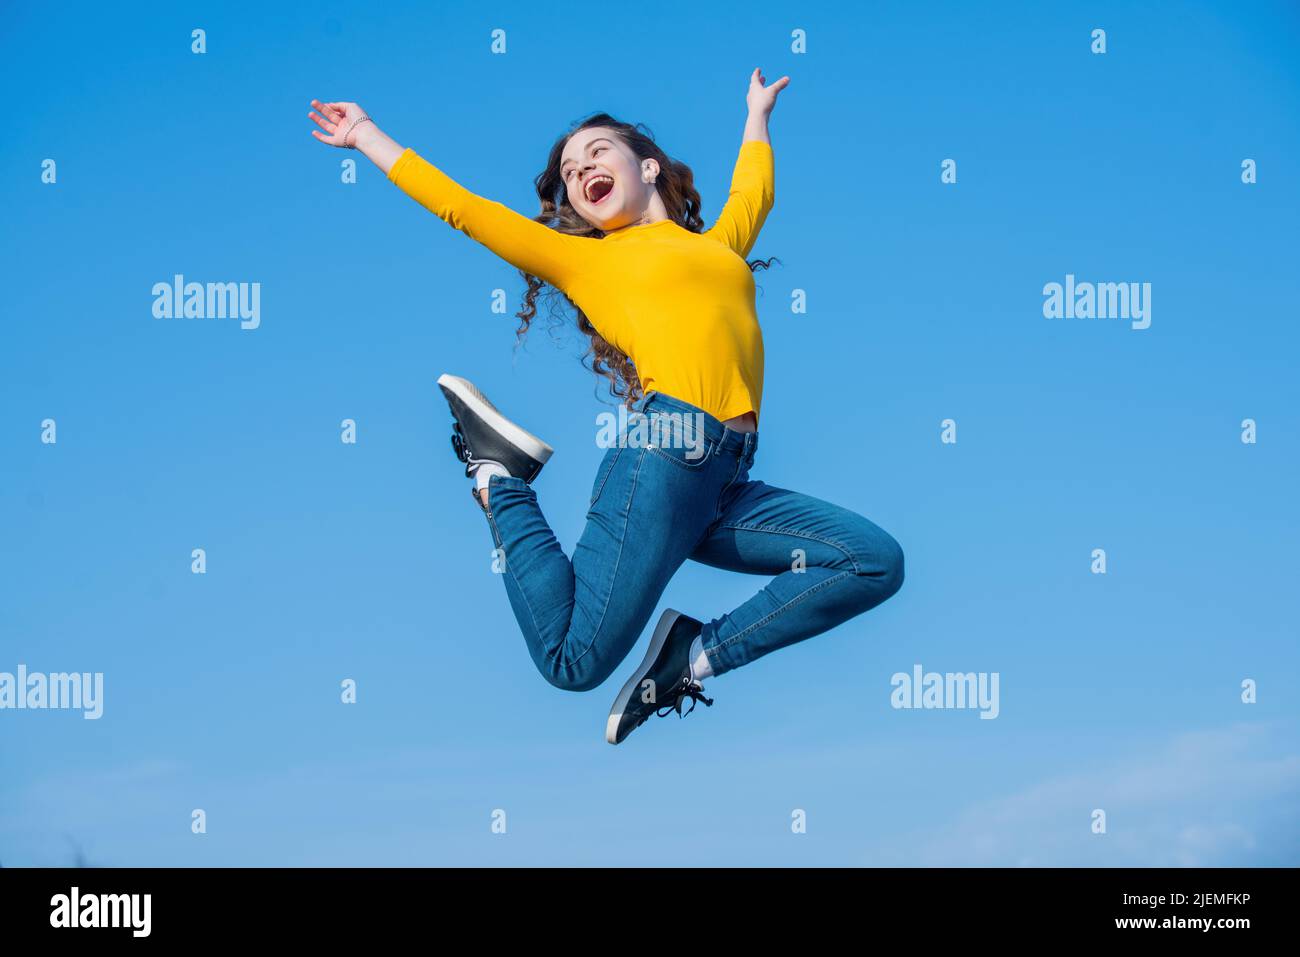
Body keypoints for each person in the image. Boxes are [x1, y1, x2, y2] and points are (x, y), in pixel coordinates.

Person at [307, 70, 904, 745]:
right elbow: (467, 211)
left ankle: (693, 657)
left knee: (871, 560)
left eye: (595, 153)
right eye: (568, 170)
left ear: (647, 166)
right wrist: (367, 136)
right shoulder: (588, 262)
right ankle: (499, 478)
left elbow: (752, 195)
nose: (579, 169)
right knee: (571, 661)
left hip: (726, 483)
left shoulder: (716, 248)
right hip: (667, 453)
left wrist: (756, 115)